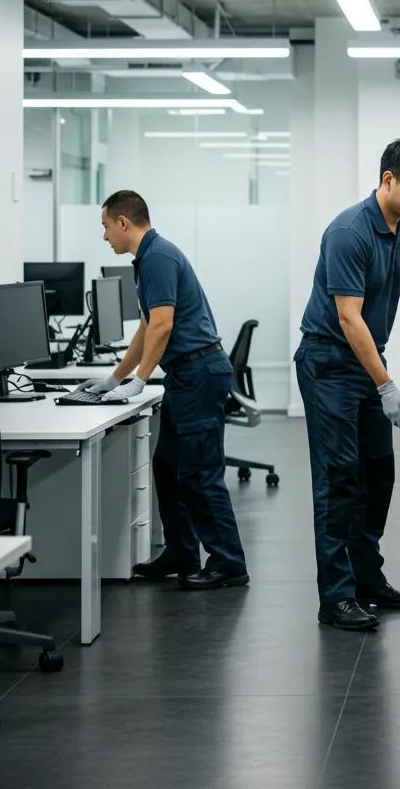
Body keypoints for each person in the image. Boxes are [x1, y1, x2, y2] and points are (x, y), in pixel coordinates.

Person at [295, 137, 400, 632]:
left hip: (365, 362)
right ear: (388, 180)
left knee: (378, 473)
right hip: (329, 363)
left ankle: (366, 580)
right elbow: (349, 318)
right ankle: (335, 596)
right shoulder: (348, 232)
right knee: (339, 479)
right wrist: (386, 385)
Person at [78, 190, 248, 590]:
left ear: (123, 222)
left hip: (199, 374)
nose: (105, 237)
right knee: (167, 467)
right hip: (187, 374)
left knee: (200, 475)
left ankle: (229, 563)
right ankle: (181, 552)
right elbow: (145, 327)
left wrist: (141, 379)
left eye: (105, 227)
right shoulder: (149, 257)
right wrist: (115, 378)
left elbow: (163, 326)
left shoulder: (157, 257)